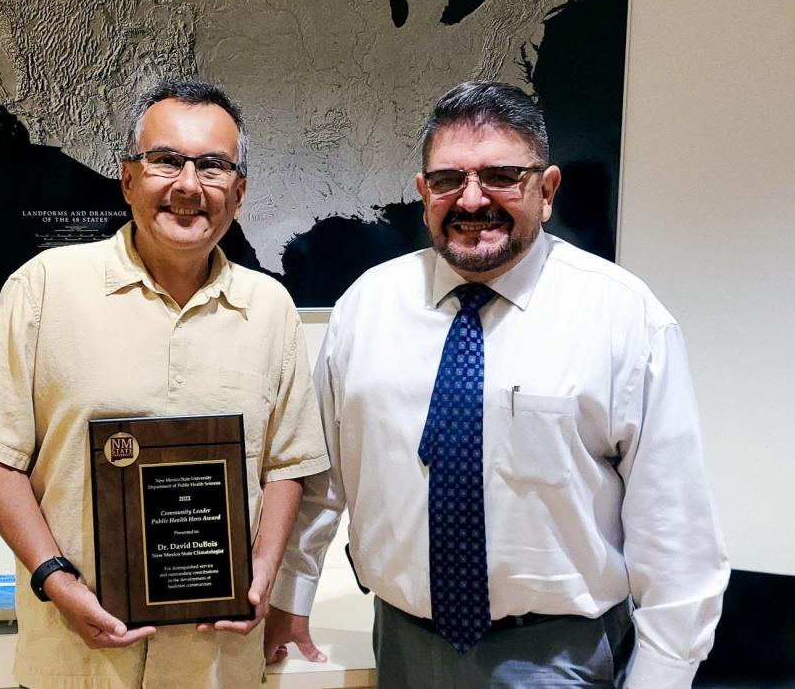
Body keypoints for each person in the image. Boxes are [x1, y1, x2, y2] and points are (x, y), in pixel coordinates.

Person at [265, 81, 729, 688]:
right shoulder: (366, 307)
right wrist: (291, 593)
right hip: (403, 645)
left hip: (561, 657)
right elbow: (324, 476)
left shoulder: (623, 317)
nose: (472, 199)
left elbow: (675, 529)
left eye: (502, 176)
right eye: (448, 180)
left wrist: (661, 677)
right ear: (422, 192)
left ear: (547, 190)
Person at [0, 78, 330, 689]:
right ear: (128, 180)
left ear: (239, 192)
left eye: (212, 166)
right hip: (77, 662)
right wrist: (54, 578)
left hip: (217, 665)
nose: (187, 185)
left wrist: (263, 568)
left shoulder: (271, 308)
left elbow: (287, 462)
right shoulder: (45, 287)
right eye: (166, 161)